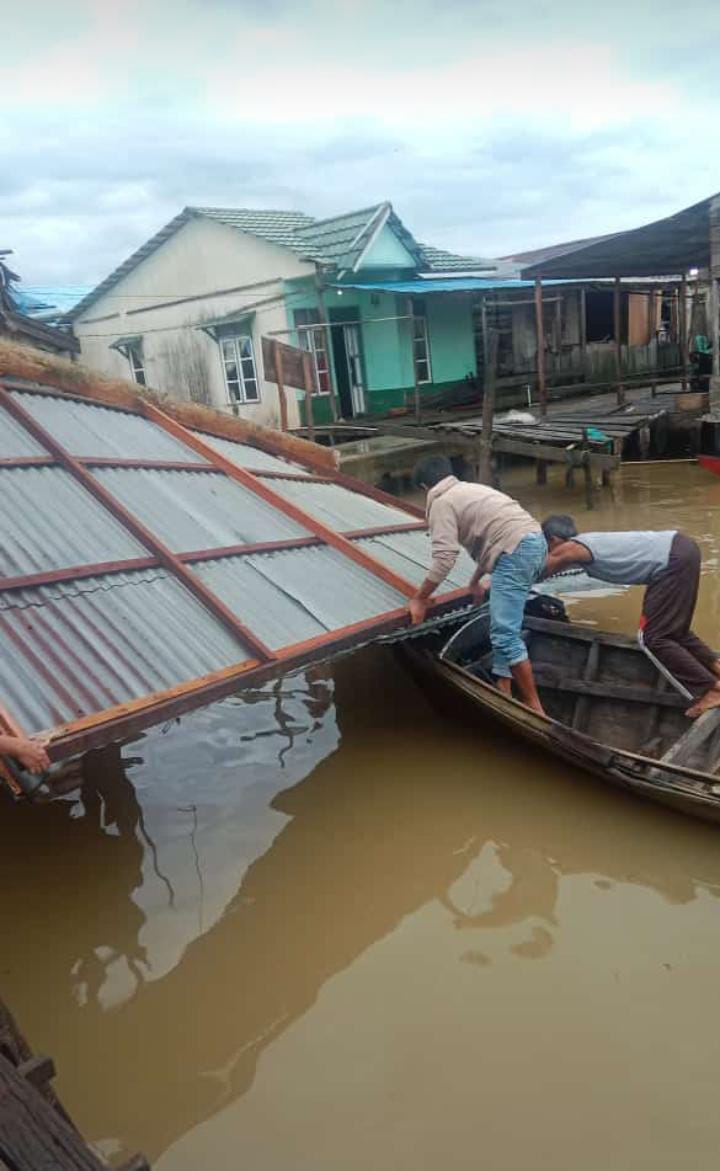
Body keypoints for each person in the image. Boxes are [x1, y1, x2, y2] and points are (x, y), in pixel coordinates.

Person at [541, 515, 720, 717]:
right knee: (677, 632)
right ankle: (716, 669)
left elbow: (540, 569)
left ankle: (710, 690)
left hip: (671, 560)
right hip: (682, 548)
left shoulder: (569, 548)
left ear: (554, 540)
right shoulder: (586, 545)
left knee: (653, 638)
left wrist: (507, 586)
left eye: (545, 547)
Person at [408, 456, 547, 714]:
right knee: (505, 621)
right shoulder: (471, 490)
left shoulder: (442, 503)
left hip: (515, 552)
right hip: (535, 544)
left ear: (424, 488)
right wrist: (474, 582)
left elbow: (445, 558)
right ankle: (503, 684)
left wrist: (420, 597)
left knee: (504, 633)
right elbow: (493, 538)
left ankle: (534, 707)